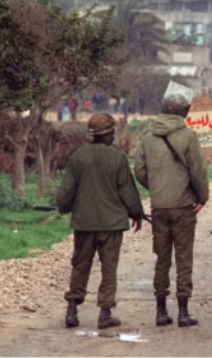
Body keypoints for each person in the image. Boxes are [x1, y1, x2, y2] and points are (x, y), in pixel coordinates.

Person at [57, 113, 144, 330]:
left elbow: (66, 192)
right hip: (112, 224)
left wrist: (64, 208)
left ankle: (72, 310)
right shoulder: (118, 158)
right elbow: (128, 192)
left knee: (80, 265)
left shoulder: (78, 156)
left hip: (84, 223)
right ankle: (105, 314)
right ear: (110, 134)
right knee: (109, 269)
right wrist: (136, 213)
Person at [134, 94, 210, 328]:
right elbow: (198, 171)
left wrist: (156, 188)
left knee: (162, 259)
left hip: (159, 207)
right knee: (184, 259)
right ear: (182, 112)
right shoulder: (188, 137)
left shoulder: (147, 137)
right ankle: (184, 313)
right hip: (184, 207)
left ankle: (160, 311)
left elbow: (139, 170)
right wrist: (202, 197)